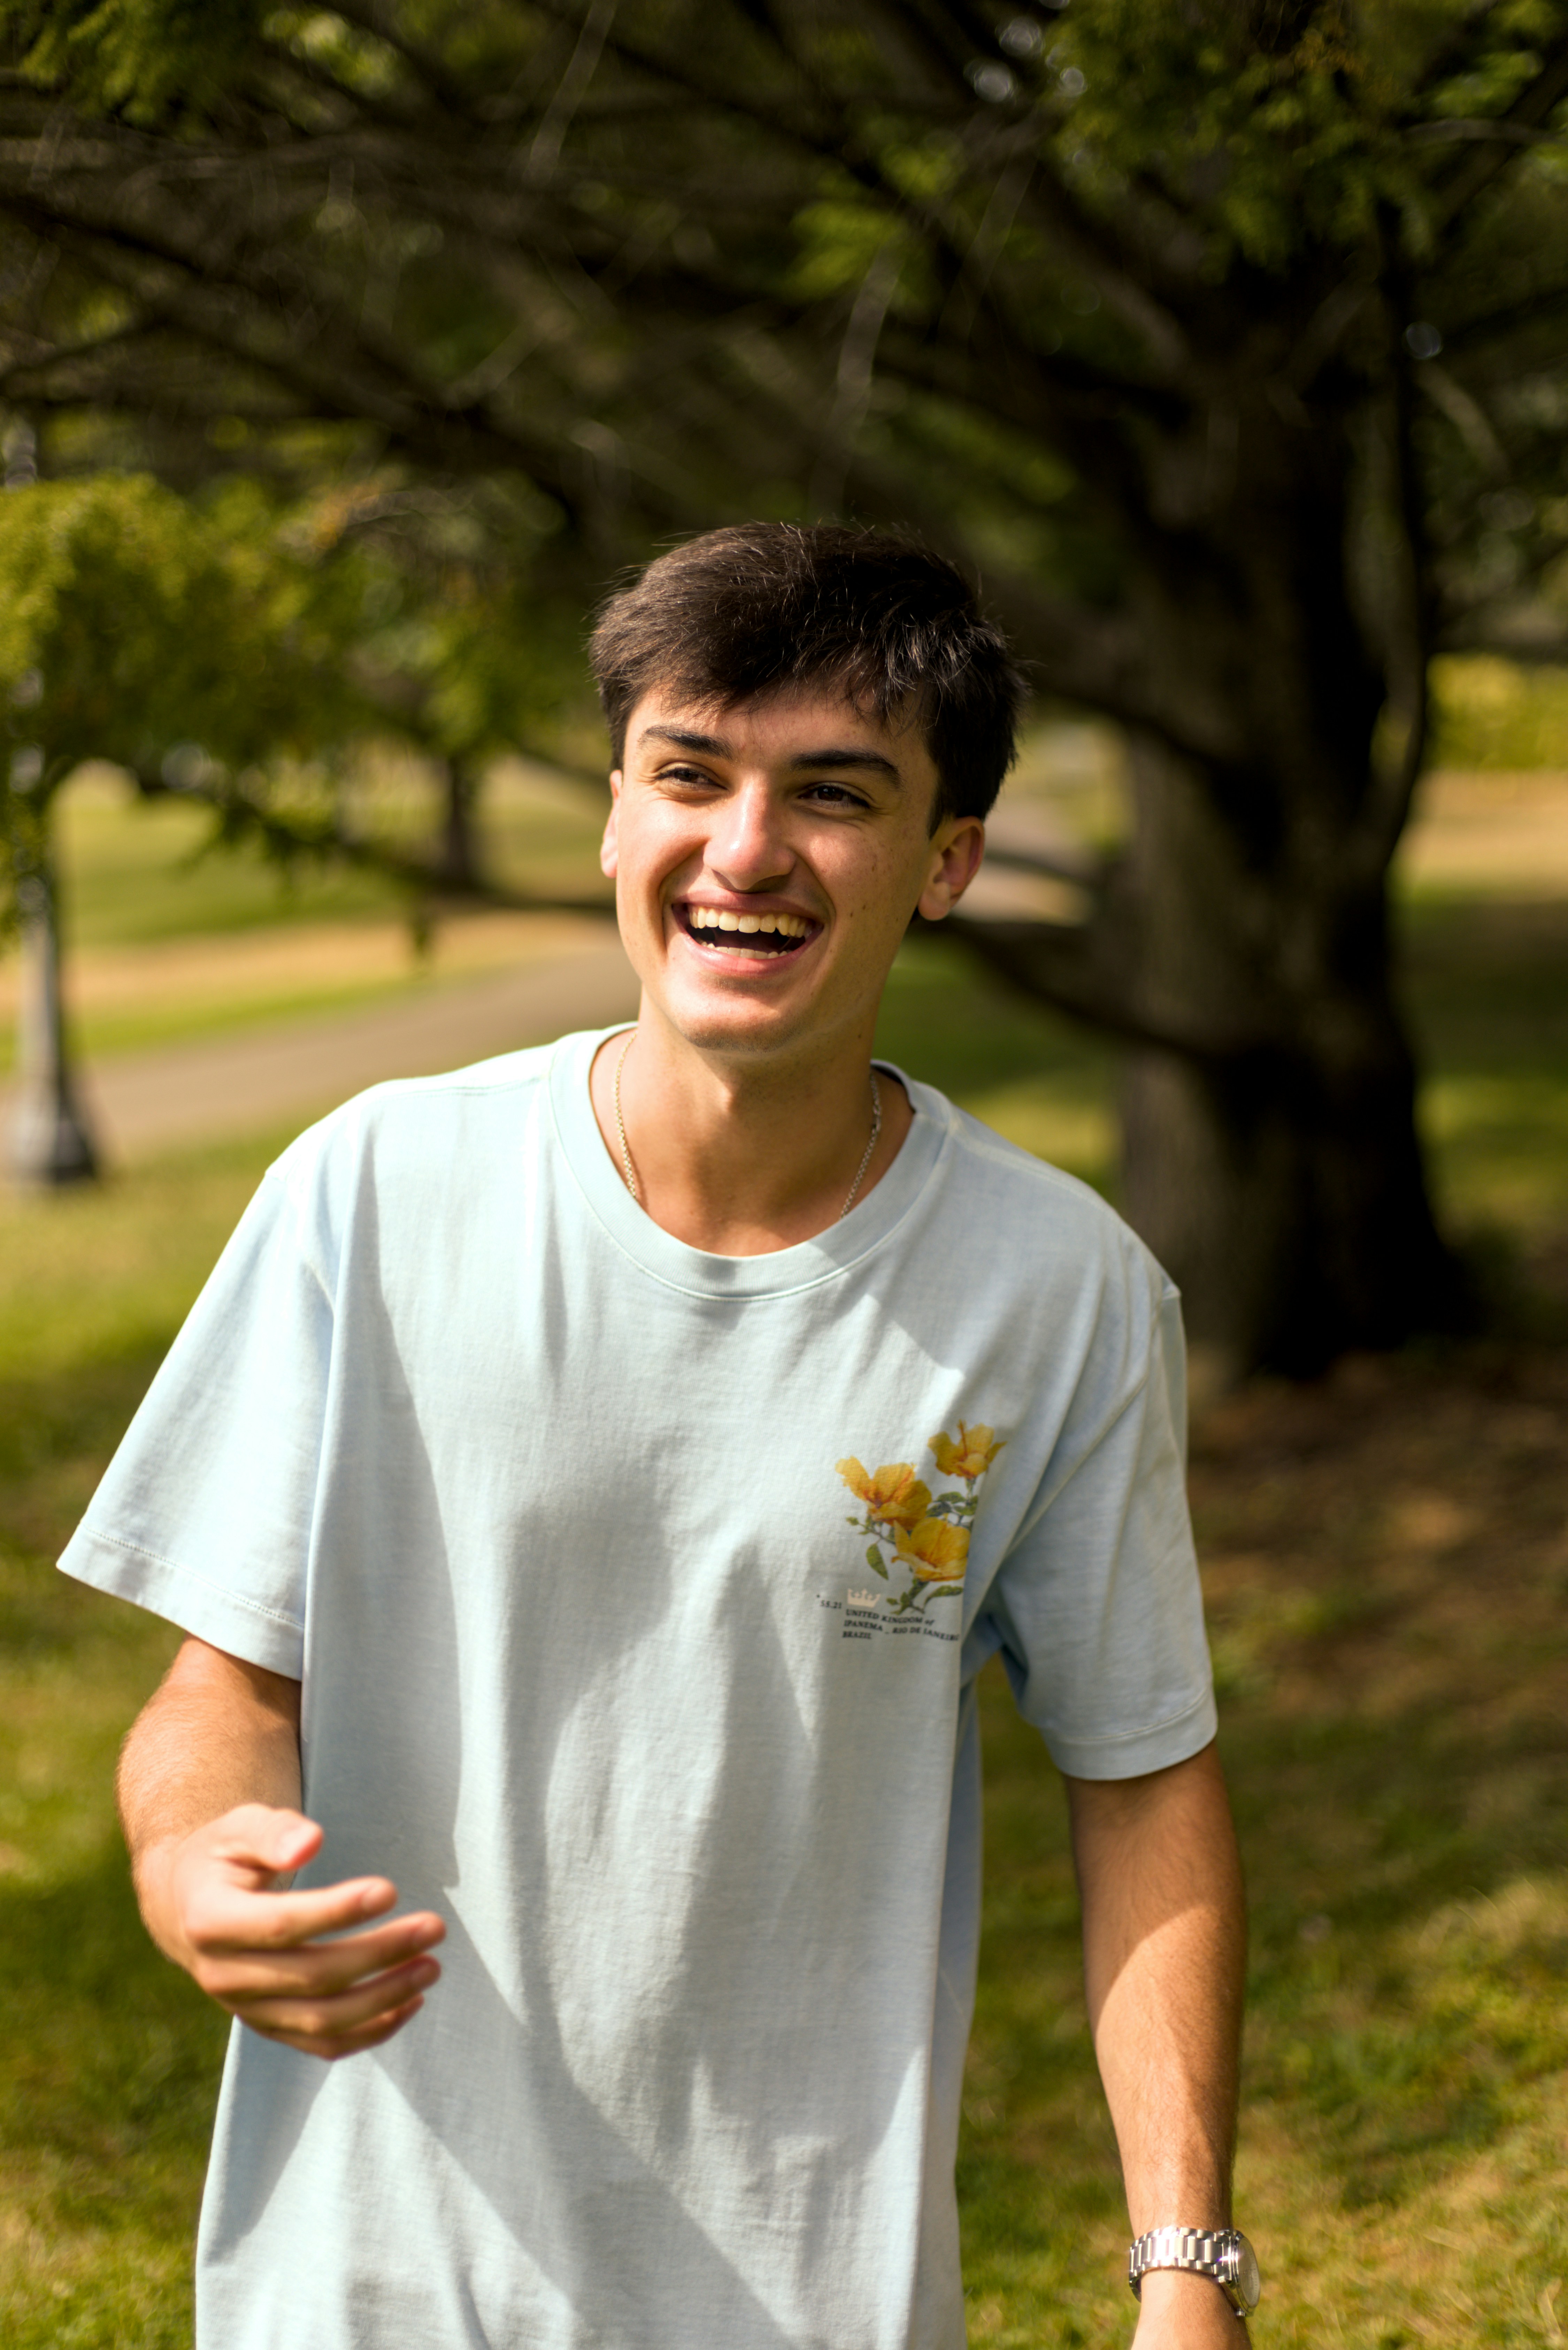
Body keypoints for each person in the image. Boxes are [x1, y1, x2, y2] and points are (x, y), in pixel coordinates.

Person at [63, 525, 1253, 2349]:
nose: (744, 849)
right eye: (687, 775)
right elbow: (222, 1686)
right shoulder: (373, 1190)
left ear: (946, 863)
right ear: (616, 815)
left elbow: (1142, 1777)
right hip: (359, 2293)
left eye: (832, 795)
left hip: (811, 2302)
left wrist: (1187, 2263)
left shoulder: (1059, 1288)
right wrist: (188, 1852)